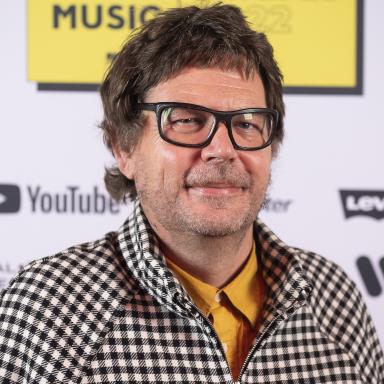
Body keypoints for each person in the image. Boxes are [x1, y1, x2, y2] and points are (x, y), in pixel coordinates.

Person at [0, 4, 383, 383]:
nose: (222, 149)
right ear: (124, 148)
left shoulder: (334, 298)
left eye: (247, 123)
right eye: (186, 120)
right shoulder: (48, 313)